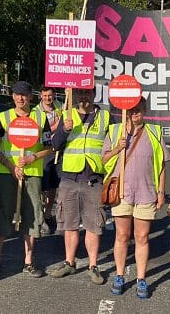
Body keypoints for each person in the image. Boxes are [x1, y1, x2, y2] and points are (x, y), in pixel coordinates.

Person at [101, 96, 169, 299]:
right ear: (126, 111)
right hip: (121, 192)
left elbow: (162, 164)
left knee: (142, 237)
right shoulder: (115, 131)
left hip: (146, 191)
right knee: (121, 236)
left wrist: (161, 191)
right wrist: (117, 148)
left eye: (139, 109)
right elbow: (103, 159)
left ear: (145, 110)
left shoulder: (154, 132)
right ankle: (120, 275)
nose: (135, 112)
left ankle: (141, 278)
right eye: (131, 109)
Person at [0, 81, 52, 278]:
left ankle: (28, 262)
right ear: (12, 96)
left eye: (24, 94)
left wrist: (33, 158)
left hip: (32, 174)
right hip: (8, 173)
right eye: (16, 94)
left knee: (31, 217)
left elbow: (50, 146)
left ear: (31, 97)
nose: (20, 98)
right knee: (2, 216)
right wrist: (11, 166)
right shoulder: (3, 118)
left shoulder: (41, 118)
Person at [49, 87, 111, 284]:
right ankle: (69, 262)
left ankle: (93, 266)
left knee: (94, 225)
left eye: (87, 93)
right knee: (70, 224)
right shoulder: (67, 114)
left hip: (94, 179)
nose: (83, 96)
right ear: (75, 95)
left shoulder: (105, 117)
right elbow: (55, 145)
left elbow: (113, 145)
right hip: (69, 178)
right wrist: (64, 129)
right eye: (80, 93)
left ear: (94, 95)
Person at [32, 86, 62, 233]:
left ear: (54, 95)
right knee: (41, 187)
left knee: (53, 186)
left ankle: (48, 213)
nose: (47, 98)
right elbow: (42, 131)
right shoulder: (36, 112)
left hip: (58, 151)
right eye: (44, 96)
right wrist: (58, 124)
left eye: (49, 95)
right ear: (40, 96)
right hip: (43, 152)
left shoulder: (60, 107)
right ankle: (39, 216)